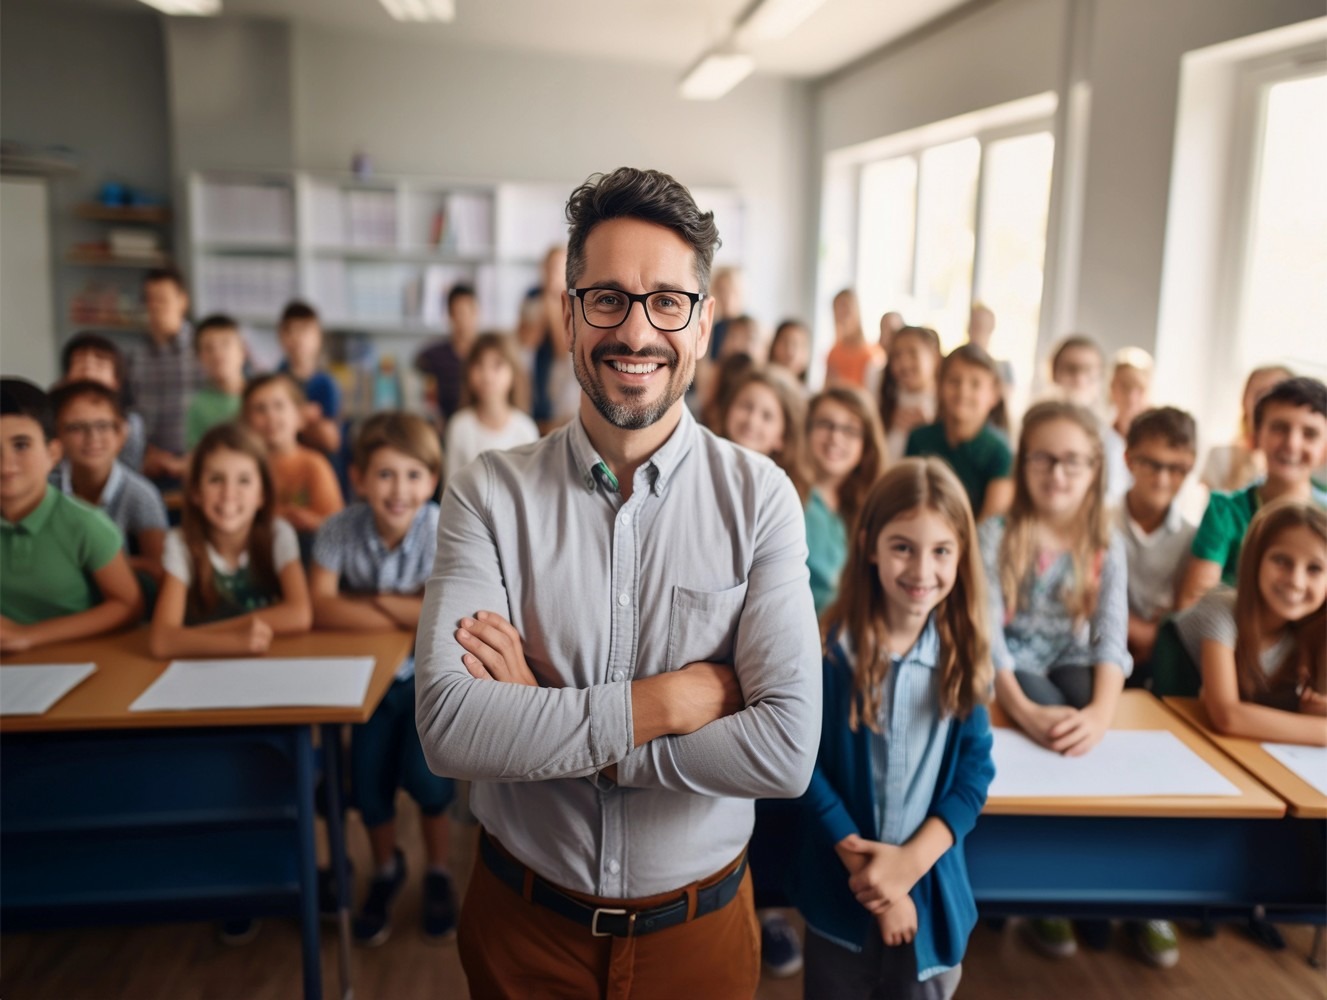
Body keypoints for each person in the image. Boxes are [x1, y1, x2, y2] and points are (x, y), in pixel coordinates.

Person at [413, 166, 821, 999]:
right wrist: (663, 704)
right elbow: (451, 727)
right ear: (567, 314)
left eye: (667, 301)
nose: (636, 332)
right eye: (607, 298)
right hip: (523, 928)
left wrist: (561, 734)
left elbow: (784, 753)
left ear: (703, 325)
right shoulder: (487, 492)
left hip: (697, 935)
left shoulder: (761, 498)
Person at [791, 458, 995, 1000]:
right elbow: (800, 761)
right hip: (841, 889)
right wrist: (874, 878)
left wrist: (909, 866)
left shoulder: (966, 653)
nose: (921, 570)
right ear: (869, 546)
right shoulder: (830, 649)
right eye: (903, 546)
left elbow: (975, 772)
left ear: (961, 556)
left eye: (941, 551)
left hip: (930, 891)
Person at [980, 400, 1134, 962]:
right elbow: (986, 635)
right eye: (1043, 459)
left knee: (1087, 714)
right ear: (1023, 464)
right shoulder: (997, 533)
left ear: (1095, 469)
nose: (1058, 474)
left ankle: (1095, 888)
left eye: (1073, 461)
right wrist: (1019, 706)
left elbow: (1110, 638)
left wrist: (1100, 715)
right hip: (1011, 664)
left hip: (1068, 656)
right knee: (1047, 723)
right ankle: (1045, 886)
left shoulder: (1104, 541)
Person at [310, 413, 457, 944]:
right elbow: (319, 610)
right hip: (361, 686)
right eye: (385, 474)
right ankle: (387, 869)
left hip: (427, 682)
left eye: (414, 475)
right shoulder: (338, 529)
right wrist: (406, 607)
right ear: (358, 478)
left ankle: (438, 871)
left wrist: (366, 600)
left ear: (432, 478)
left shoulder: (444, 527)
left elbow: (445, 616)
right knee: (368, 787)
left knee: (428, 782)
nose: (399, 490)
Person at [0, 378, 143, 651]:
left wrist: (27, 635)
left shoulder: (85, 524)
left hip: (81, 661)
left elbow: (128, 605)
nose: (6, 464)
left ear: (53, 452)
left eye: (21, 445)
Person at [149, 422, 311, 658]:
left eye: (244, 480)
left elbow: (299, 615)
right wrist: (235, 642)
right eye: (216, 479)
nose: (228, 493)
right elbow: (162, 641)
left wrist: (195, 636)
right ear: (195, 492)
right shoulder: (180, 542)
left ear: (261, 494)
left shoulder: (278, 533)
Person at [1174, 500, 1325, 745]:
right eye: (1282, 561)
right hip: (1179, 733)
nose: (1296, 581)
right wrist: (1320, 730)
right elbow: (1227, 716)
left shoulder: (1315, 632)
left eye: (1315, 569)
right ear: (1255, 560)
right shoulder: (1221, 609)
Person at [1179, 377, 1327, 609]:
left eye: (1310, 433)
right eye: (1280, 428)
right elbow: (1193, 603)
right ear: (1256, 435)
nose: (1292, 443)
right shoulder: (1224, 511)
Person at [51, 380, 169, 584]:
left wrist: (94, 562)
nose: (92, 437)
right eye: (77, 427)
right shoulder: (45, 488)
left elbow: (157, 569)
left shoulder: (141, 495)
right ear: (57, 436)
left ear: (121, 434)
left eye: (103, 426)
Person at [1117, 407, 1198, 677]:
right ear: (1128, 459)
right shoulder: (1097, 523)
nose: (1162, 479)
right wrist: (1139, 631)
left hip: (1157, 662)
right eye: (1152, 464)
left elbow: (1183, 616)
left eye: (1176, 469)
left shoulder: (1193, 539)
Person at [906, 344, 1013, 521]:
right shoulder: (919, 438)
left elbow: (991, 523)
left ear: (994, 394)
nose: (963, 391)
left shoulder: (1001, 452)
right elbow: (908, 500)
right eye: (954, 381)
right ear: (939, 386)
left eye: (975, 384)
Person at [805, 386, 888, 615]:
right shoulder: (785, 494)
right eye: (825, 424)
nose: (835, 437)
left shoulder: (870, 508)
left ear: (866, 445)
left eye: (850, 430)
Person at [126, 267, 203, 486]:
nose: (155, 307)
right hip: (149, 466)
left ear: (182, 301)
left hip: (199, 462)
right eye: (149, 300)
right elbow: (126, 411)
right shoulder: (135, 356)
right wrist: (146, 453)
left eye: (162, 299)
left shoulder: (204, 349)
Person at [242, 374, 344, 537]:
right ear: (245, 421)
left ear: (299, 417)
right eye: (260, 408)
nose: (270, 416)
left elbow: (338, 527)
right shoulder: (242, 467)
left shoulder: (314, 465)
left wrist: (312, 522)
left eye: (279, 406)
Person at [443, 333, 538, 481]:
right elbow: (450, 485)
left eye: (497, 365)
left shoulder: (525, 428)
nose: (487, 375)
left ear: (514, 373)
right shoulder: (459, 425)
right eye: (479, 365)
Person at [1200, 365, 1294, 494]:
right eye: (1261, 397)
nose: (1270, 408)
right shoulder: (1220, 458)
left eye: (1281, 398)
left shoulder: (1302, 464)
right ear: (1245, 401)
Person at [60, 332, 147, 472]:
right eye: (79, 361)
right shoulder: (51, 417)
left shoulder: (131, 424)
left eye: (100, 363)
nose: (88, 369)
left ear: (116, 380)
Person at [721, 368, 810, 502]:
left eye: (767, 416)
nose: (752, 421)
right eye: (746, 406)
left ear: (783, 437)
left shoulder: (782, 496)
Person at [277, 300, 342, 455]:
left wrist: (291, 419)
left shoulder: (327, 384)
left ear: (318, 336)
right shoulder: (275, 382)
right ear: (280, 336)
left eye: (304, 330)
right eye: (290, 330)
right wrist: (302, 416)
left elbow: (330, 439)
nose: (297, 337)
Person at [415, 284, 479, 425]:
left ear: (477, 312)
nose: (464, 319)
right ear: (450, 314)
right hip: (443, 425)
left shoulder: (485, 356)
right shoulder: (432, 356)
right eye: (459, 312)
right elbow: (424, 397)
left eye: (469, 311)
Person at [880, 326, 941, 463]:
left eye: (913, 353)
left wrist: (930, 429)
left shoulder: (945, 402)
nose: (904, 363)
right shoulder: (884, 399)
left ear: (934, 357)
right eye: (897, 355)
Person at [185, 314, 247, 450]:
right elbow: (196, 455)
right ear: (199, 358)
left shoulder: (262, 395)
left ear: (243, 351)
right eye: (208, 348)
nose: (217, 354)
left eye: (225, 344)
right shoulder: (198, 406)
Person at [1103, 348, 1154, 507]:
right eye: (1124, 386)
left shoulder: (1156, 444)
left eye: (1139, 388)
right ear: (1111, 388)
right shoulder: (1098, 437)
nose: (1131, 397)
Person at [825, 289, 878, 389]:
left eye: (845, 307)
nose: (842, 314)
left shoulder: (873, 354)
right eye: (837, 309)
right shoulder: (834, 353)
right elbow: (827, 389)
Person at [1048, 335, 1105, 415]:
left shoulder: (1105, 426)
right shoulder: (1036, 423)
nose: (1079, 379)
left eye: (1087, 370)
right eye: (1071, 369)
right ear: (1053, 374)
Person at [769, 319, 811, 388]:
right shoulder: (756, 386)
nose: (791, 353)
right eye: (785, 342)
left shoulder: (809, 396)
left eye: (800, 345)